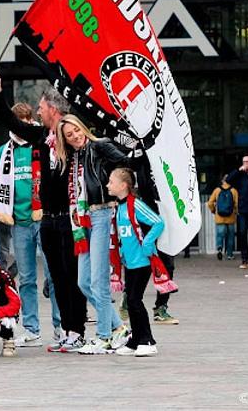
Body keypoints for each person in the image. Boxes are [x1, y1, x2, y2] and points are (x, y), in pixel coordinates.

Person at [0, 70, 86, 353]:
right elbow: (10, 121)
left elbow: (93, 152)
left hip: (69, 219)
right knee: (54, 273)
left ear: (52, 109)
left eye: (41, 108)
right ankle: (67, 332)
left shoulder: (71, 137)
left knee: (69, 278)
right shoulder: (42, 136)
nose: (38, 112)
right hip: (47, 221)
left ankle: (76, 329)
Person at [54, 114, 131, 354]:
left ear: (83, 127)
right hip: (82, 219)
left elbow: (126, 164)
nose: (75, 136)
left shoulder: (99, 145)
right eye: (69, 135)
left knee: (98, 281)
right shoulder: (74, 157)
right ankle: (118, 328)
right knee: (84, 282)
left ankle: (104, 336)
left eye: (77, 130)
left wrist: (116, 190)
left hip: (102, 214)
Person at [0, 102, 62, 349]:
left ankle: (61, 326)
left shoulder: (41, 143)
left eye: (26, 122)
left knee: (53, 275)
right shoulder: (4, 152)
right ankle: (32, 329)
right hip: (18, 221)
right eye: (16, 124)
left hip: (42, 218)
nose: (21, 129)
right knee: (27, 278)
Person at [108, 168, 165, 358]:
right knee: (130, 301)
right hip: (130, 263)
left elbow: (158, 222)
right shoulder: (119, 208)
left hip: (142, 261)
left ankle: (147, 341)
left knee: (134, 300)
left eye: (111, 182)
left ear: (123, 185)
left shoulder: (135, 205)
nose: (108, 185)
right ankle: (135, 341)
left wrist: (148, 243)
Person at [207, 177, 237, 261]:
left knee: (220, 234)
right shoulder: (234, 191)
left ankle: (219, 248)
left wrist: (213, 210)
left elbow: (210, 203)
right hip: (230, 217)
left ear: (222, 181)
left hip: (219, 217)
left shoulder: (217, 190)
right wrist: (235, 212)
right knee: (230, 236)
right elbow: (237, 204)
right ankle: (229, 255)